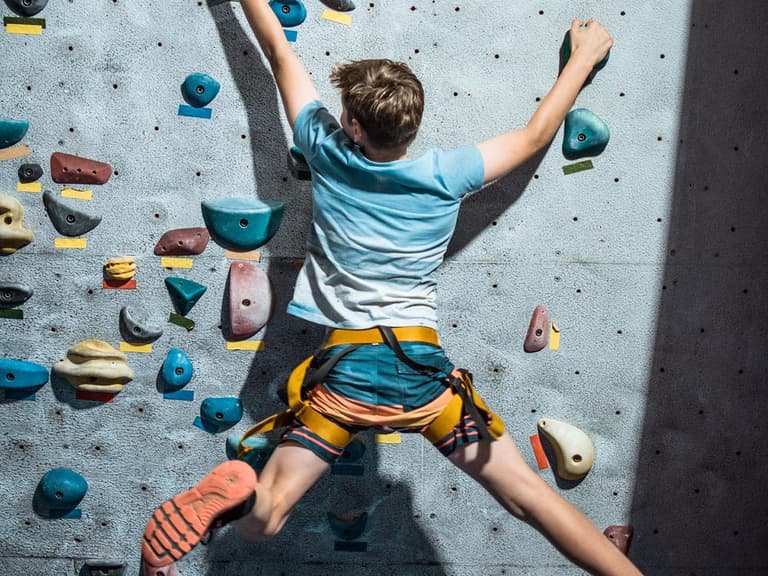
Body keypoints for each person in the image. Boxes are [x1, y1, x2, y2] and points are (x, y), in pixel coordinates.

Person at [140, 2, 643, 575]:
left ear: (353, 125)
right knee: (529, 498)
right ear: (415, 123)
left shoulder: (326, 152)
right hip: (421, 374)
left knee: (272, 511)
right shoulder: (446, 174)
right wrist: (581, 59)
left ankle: (243, 499)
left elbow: (278, 50)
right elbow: (533, 138)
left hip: (348, 371)